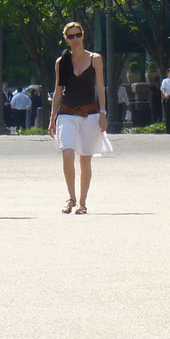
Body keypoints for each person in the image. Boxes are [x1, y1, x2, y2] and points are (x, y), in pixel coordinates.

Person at [46, 20, 108, 214]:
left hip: (90, 113)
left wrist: (103, 113)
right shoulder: (62, 62)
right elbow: (58, 90)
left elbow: (100, 87)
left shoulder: (95, 59)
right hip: (67, 112)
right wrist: (52, 117)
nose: (75, 39)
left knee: (85, 159)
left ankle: (82, 202)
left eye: (78, 35)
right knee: (67, 152)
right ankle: (71, 197)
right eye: (71, 36)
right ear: (66, 39)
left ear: (83, 35)